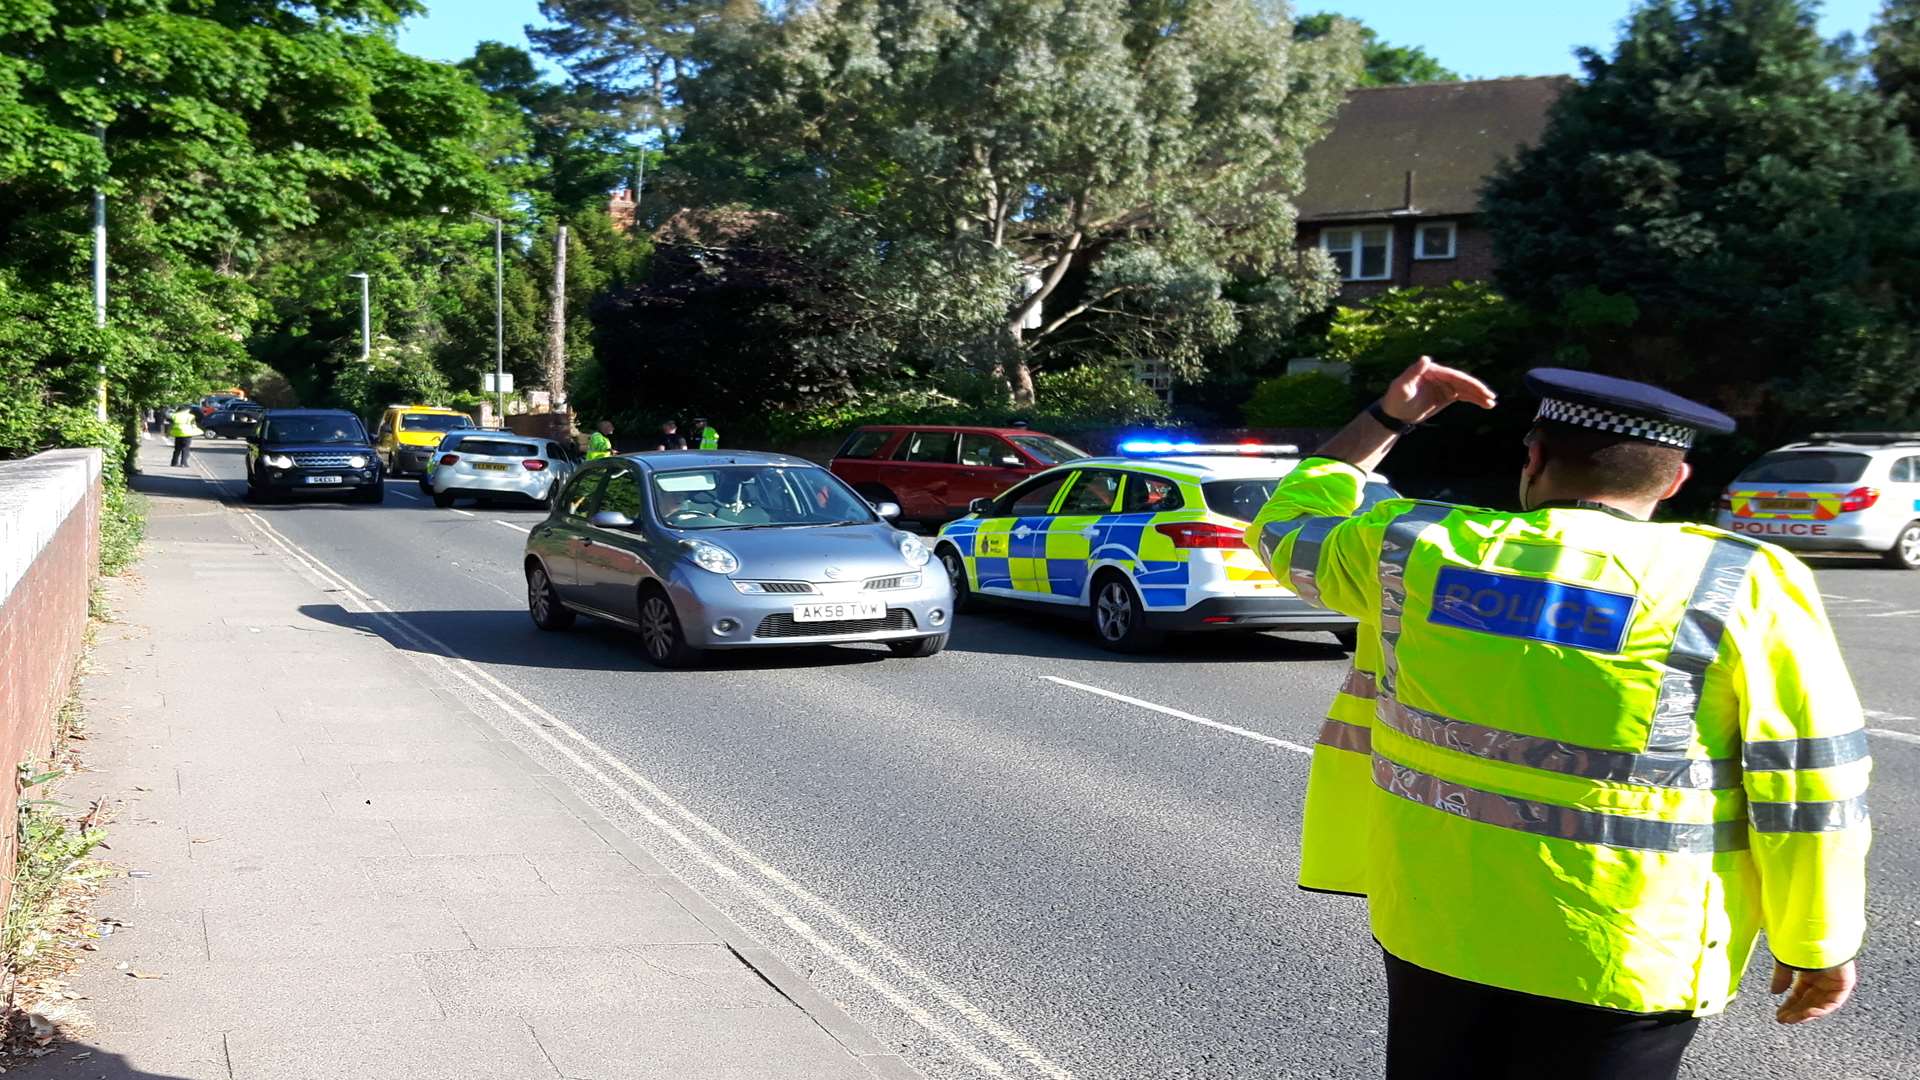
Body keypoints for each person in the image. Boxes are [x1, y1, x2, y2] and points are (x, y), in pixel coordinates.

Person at [1247, 357, 1869, 1080]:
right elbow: (1808, 784)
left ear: (1534, 457)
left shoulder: (1413, 550)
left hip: (1436, 923)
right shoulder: (1740, 582)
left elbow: (1283, 525)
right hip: (1625, 951)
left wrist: (1389, 417)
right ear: (1673, 481)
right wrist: (1816, 941)